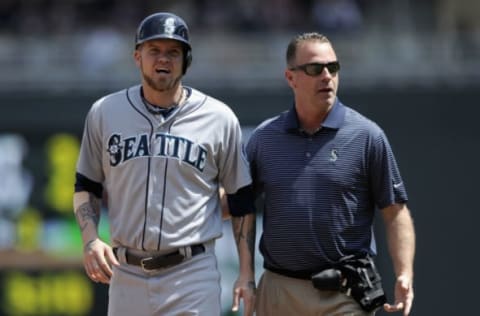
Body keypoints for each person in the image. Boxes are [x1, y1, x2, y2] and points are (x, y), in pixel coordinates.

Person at [73, 12, 255, 316]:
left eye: (173, 52)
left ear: (186, 60)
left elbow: (241, 200)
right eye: (154, 50)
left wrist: (247, 273)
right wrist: (90, 240)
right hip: (126, 273)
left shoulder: (219, 118)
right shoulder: (105, 112)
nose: (164, 59)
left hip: (191, 273)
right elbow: (85, 186)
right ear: (137, 57)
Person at [235, 32, 415, 315]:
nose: (327, 76)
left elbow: (395, 212)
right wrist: (246, 273)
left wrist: (404, 273)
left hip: (344, 294)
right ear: (290, 77)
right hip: (279, 290)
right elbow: (239, 205)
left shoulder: (367, 136)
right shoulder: (265, 138)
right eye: (315, 69)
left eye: (333, 68)